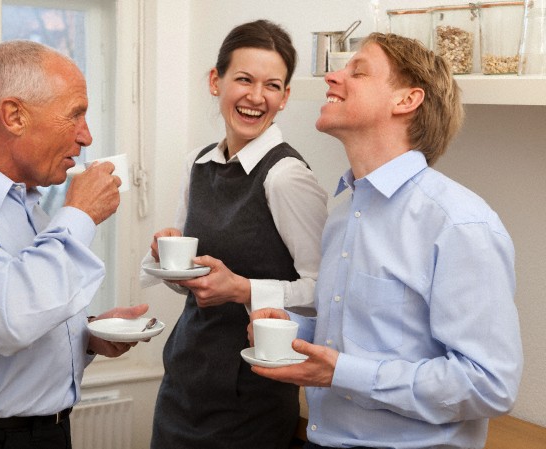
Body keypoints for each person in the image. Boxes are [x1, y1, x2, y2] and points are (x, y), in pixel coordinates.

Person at [248, 33, 523, 449]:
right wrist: (296, 331)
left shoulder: (459, 224)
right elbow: (361, 339)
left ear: (406, 100)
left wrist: (342, 372)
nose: (331, 76)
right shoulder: (342, 215)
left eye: (357, 71)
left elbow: (489, 384)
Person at [0, 40, 148, 449]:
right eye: (75, 115)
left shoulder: (25, 201)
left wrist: (87, 336)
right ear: (14, 116)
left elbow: (22, 306)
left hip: (46, 434)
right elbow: (6, 317)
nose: (86, 137)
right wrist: (80, 215)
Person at [140, 20, 328, 449]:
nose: (256, 97)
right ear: (215, 81)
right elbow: (190, 281)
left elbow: (325, 291)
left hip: (252, 395)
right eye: (243, 79)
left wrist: (243, 290)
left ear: (285, 97)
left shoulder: (286, 177)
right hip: (185, 378)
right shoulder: (199, 163)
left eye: (272, 85)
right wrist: (169, 258)